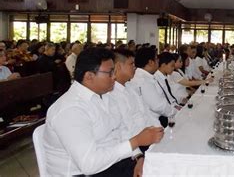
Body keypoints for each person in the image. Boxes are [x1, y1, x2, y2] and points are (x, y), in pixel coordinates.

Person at [43, 48, 163, 176]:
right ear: (89, 76)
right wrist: (135, 141)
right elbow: (89, 164)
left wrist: (138, 158)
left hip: (112, 164)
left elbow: (121, 131)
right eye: (110, 73)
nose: (114, 77)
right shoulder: (70, 110)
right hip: (84, 173)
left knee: (161, 166)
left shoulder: (105, 96)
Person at [129, 48, 180, 127]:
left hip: (162, 115)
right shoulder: (143, 80)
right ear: (150, 62)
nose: (158, 61)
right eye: (156, 59)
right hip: (156, 120)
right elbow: (158, 106)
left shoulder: (148, 76)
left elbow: (163, 98)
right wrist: (175, 111)